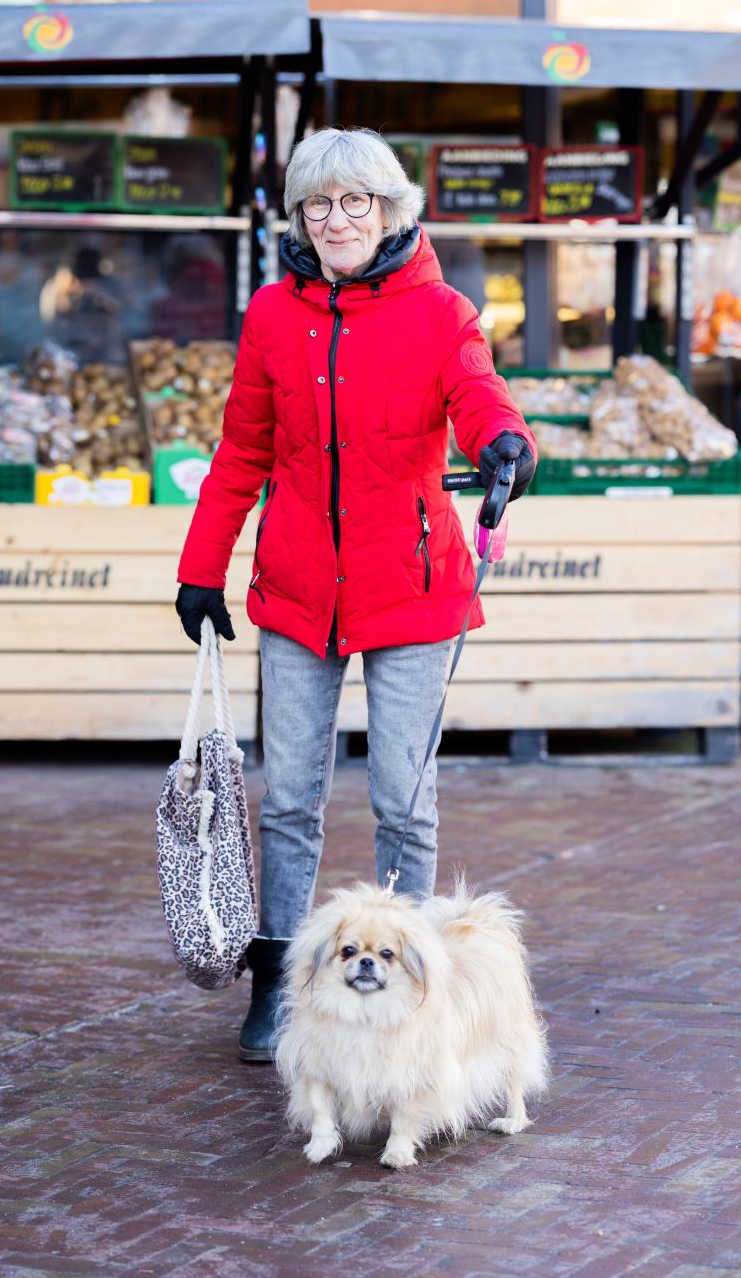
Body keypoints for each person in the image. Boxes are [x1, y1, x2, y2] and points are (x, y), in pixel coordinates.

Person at [175, 128, 537, 1062]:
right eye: (320, 204)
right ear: (300, 216)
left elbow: (477, 394)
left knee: (402, 802)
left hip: (412, 590)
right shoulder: (270, 316)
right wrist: (200, 567)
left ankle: (414, 993)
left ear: (388, 211)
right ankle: (286, 990)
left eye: (357, 203)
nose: (337, 220)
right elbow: (242, 452)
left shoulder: (442, 309)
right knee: (289, 798)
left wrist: (503, 441)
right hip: (298, 591)